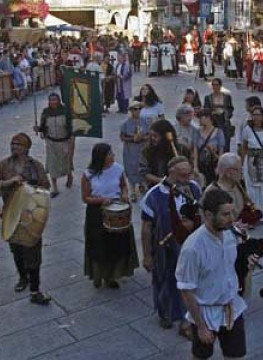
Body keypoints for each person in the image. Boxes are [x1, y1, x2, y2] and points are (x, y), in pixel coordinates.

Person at [175, 188, 250, 360]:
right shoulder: (193, 248)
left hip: (232, 309)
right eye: (225, 214)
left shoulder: (230, 234)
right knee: (200, 357)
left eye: (232, 212)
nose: (231, 219)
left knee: (237, 356)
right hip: (205, 314)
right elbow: (186, 291)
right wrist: (200, 326)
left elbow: (231, 266)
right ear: (208, 215)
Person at [0, 133, 53, 305]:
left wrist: (29, 188)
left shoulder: (35, 166)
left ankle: (35, 290)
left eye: (18, 144)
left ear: (26, 147)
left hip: (31, 217)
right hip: (11, 215)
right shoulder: (4, 165)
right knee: (17, 251)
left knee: (33, 253)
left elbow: (46, 187)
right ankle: (22, 277)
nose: (14, 147)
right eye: (12, 144)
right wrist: (6, 183)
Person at [140, 156, 201, 337]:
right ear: (171, 173)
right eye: (183, 175)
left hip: (190, 246)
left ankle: (186, 320)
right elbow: (146, 227)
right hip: (165, 248)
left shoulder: (193, 188)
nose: (188, 178)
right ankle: (165, 313)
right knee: (165, 281)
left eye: (189, 174)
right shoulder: (154, 195)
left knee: (189, 283)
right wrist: (147, 255)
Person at [81, 143, 138, 289]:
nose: (113, 156)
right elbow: (85, 197)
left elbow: (123, 186)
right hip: (97, 212)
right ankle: (98, 275)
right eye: (109, 154)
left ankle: (111, 276)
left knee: (115, 245)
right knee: (99, 246)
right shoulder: (88, 174)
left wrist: (125, 194)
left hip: (116, 208)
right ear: (101, 157)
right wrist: (101, 200)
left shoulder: (118, 169)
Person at [239, 106, 263, 222]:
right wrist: (241, 163)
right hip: (251, 162)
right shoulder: (247, 130)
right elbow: (244, 147)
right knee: (252, 189)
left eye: (258, 115)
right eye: (254, 115)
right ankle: (255, 213)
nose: (256, 117)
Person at [34, 94, 73, 198]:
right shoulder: (46, 112)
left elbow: (71, 126)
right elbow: (42, 127)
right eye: (51, 100)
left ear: (59, 100)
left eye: (55, 100)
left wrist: (71, 138)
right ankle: (54, 187)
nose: (53, 102)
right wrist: (38, 129)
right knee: (52, 164)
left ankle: (69, 175)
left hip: (64, 141)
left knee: (66, 161)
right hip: (51, 142)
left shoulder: (65, 111)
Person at [141, 119, 193, 188]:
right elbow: (145, 173)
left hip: (181, 187)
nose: (152, 138)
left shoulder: (181, 149)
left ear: (164, 136)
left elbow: (190, 168)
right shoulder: (147, 151)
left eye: (155, 136)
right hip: (157, 188)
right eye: (151, 136)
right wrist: (163, 181)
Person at [120, 101, 150, 200]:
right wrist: (133, 139)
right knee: (131, 167)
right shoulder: (126, 123)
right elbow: (122, 137)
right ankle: (132, 190)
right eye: (135, 109)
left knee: (141, 166)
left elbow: (149, 134)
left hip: (141, 148)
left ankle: (142, 183)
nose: (137, 111)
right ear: (131, 110)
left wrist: (143, 138)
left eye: (139, 109)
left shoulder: (145, 122)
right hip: (130, 149)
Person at [192, 109, 225, 186]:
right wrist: (195, 166)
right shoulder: (197, 132)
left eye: (201, 118)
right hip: (201, 164)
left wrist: (219, 167)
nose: (199, 120)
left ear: (208, 118)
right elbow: (195, 151)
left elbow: (221, 154)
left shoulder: (218, 132)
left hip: (212, 164)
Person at [203, 78, 234, 152]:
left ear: (220, 86)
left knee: (225, 143)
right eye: (213, 85)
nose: (215, 87)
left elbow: (230, 109)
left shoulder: (227, 97)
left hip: (224, 122)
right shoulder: (208, 98)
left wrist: (224, 112)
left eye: (217, 85)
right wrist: (212, 112)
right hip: (213, 122)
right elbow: (206, 110)